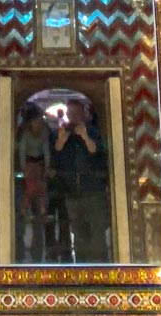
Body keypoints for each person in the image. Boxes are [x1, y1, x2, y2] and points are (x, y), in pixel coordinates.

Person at [52, 97, 111, 263]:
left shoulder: (92, 131)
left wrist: (85, 136)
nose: (73, 117)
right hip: (73, 193)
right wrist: (62, 140)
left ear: (83, 114)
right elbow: (56, 155)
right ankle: (83, 266)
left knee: (97, 233)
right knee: (79, 234)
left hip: (93, 191)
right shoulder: (64, 133)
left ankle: (100, 267)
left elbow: (96, 151)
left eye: (76, 113)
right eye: (70, 113)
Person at [13, 104, 53, 262]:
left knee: (39, 195)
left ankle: (37, 255)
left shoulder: (44, 133)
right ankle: (19, 254)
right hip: (26, 170)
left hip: (38, 167)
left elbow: (46, 150)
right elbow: (22, 151)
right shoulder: (23, 134)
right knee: (26, 198)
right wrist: (23, 169)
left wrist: (47, 167)